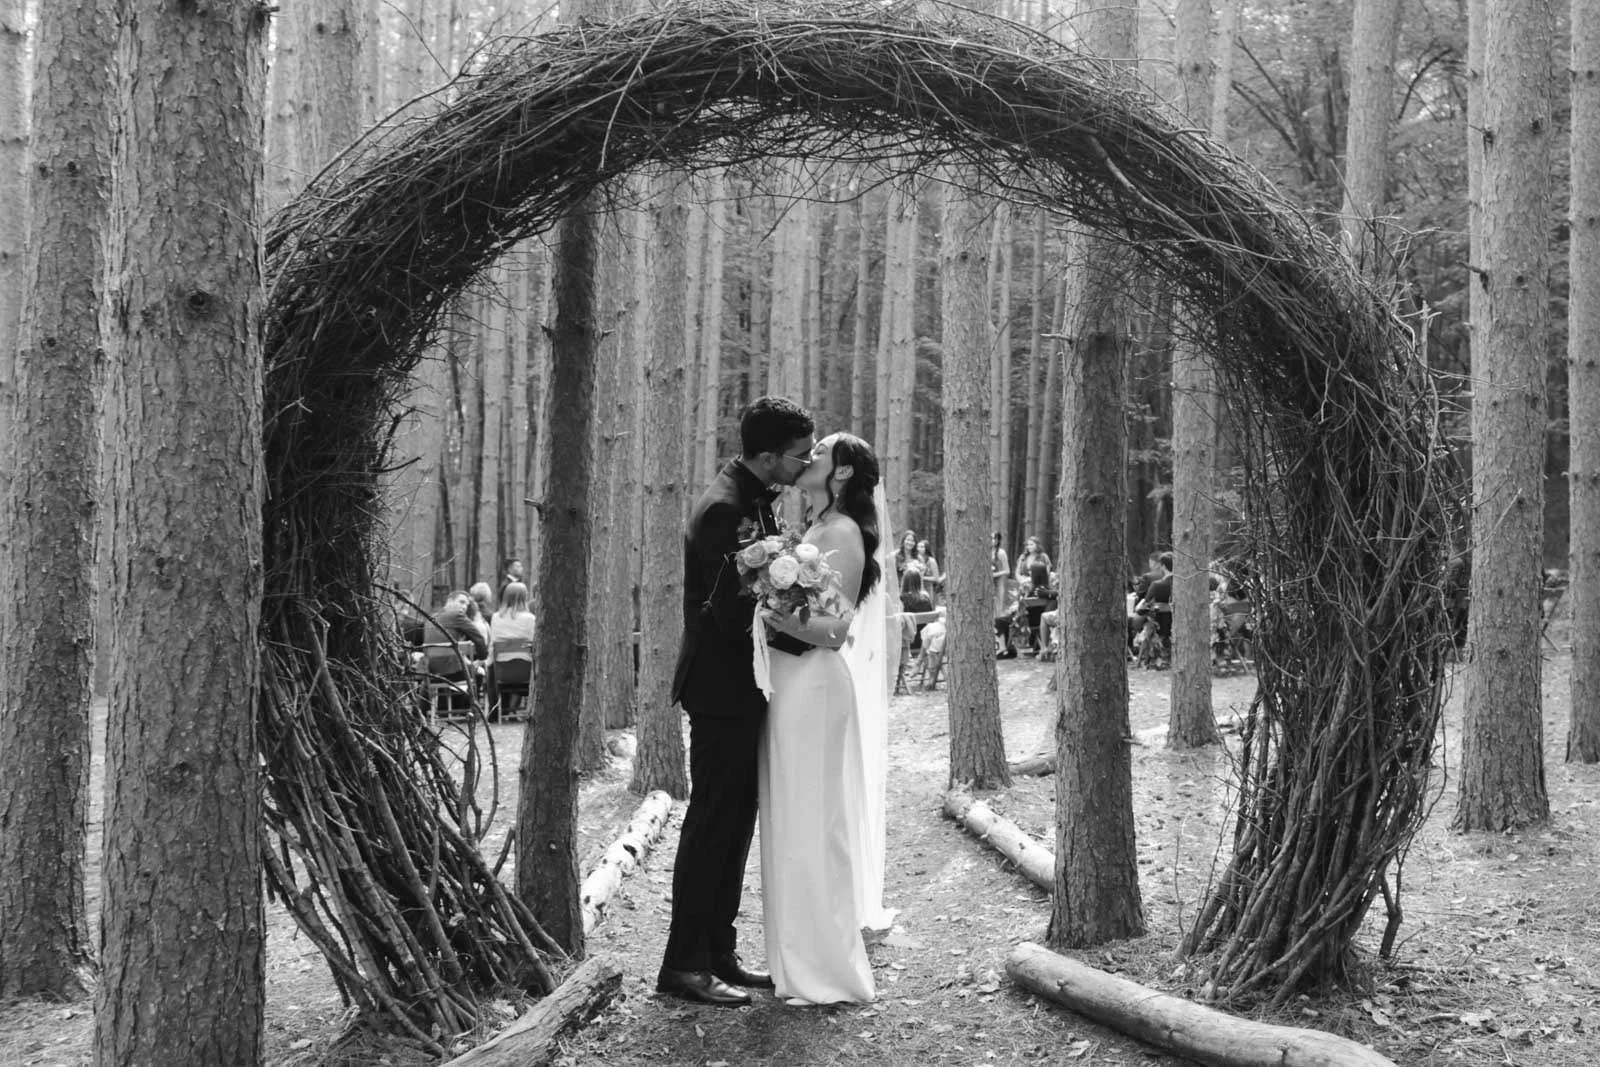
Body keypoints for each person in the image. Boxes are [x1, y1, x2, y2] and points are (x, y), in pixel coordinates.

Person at [658, 396, 815, 1007]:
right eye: (799, 457)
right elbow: (728, 613)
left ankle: (718, 950)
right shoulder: (724, 510)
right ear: (768, 455)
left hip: (745, 685)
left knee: (737, 821)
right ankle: (682, 962)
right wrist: (800, 623)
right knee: (711, 823)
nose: (805, 466)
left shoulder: (751, 499)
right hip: (721, 687)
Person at [758, 432, 885, 1006]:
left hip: (815, 686)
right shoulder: (812, 528)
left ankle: (828, 969)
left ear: (840, 475)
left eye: (824, 450)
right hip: (790, 686)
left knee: (813, 821)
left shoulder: (841, 533)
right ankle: (796, 959)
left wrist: (764, 609)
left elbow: (834, 632)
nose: (809, 454)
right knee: (791, 819)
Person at [487, 581, 536, 717]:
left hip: (502, 671)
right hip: (525, 671)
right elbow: (533, 644)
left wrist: (489, 662)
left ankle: (495, 710)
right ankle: (513, 709)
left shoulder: (496, 617)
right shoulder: (530, 619)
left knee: (491, 667)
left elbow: (493, 643)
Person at [991, 533, 1015, 658]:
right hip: (990, 585)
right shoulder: (987, 551)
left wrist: (994, 574)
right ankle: (995, 645)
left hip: (1000, 584)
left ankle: (1003, 646)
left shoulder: (1001, 553)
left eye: (994, 538)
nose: (992, 540)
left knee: (999, 614)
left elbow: (1007, 570)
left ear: (998, 540)